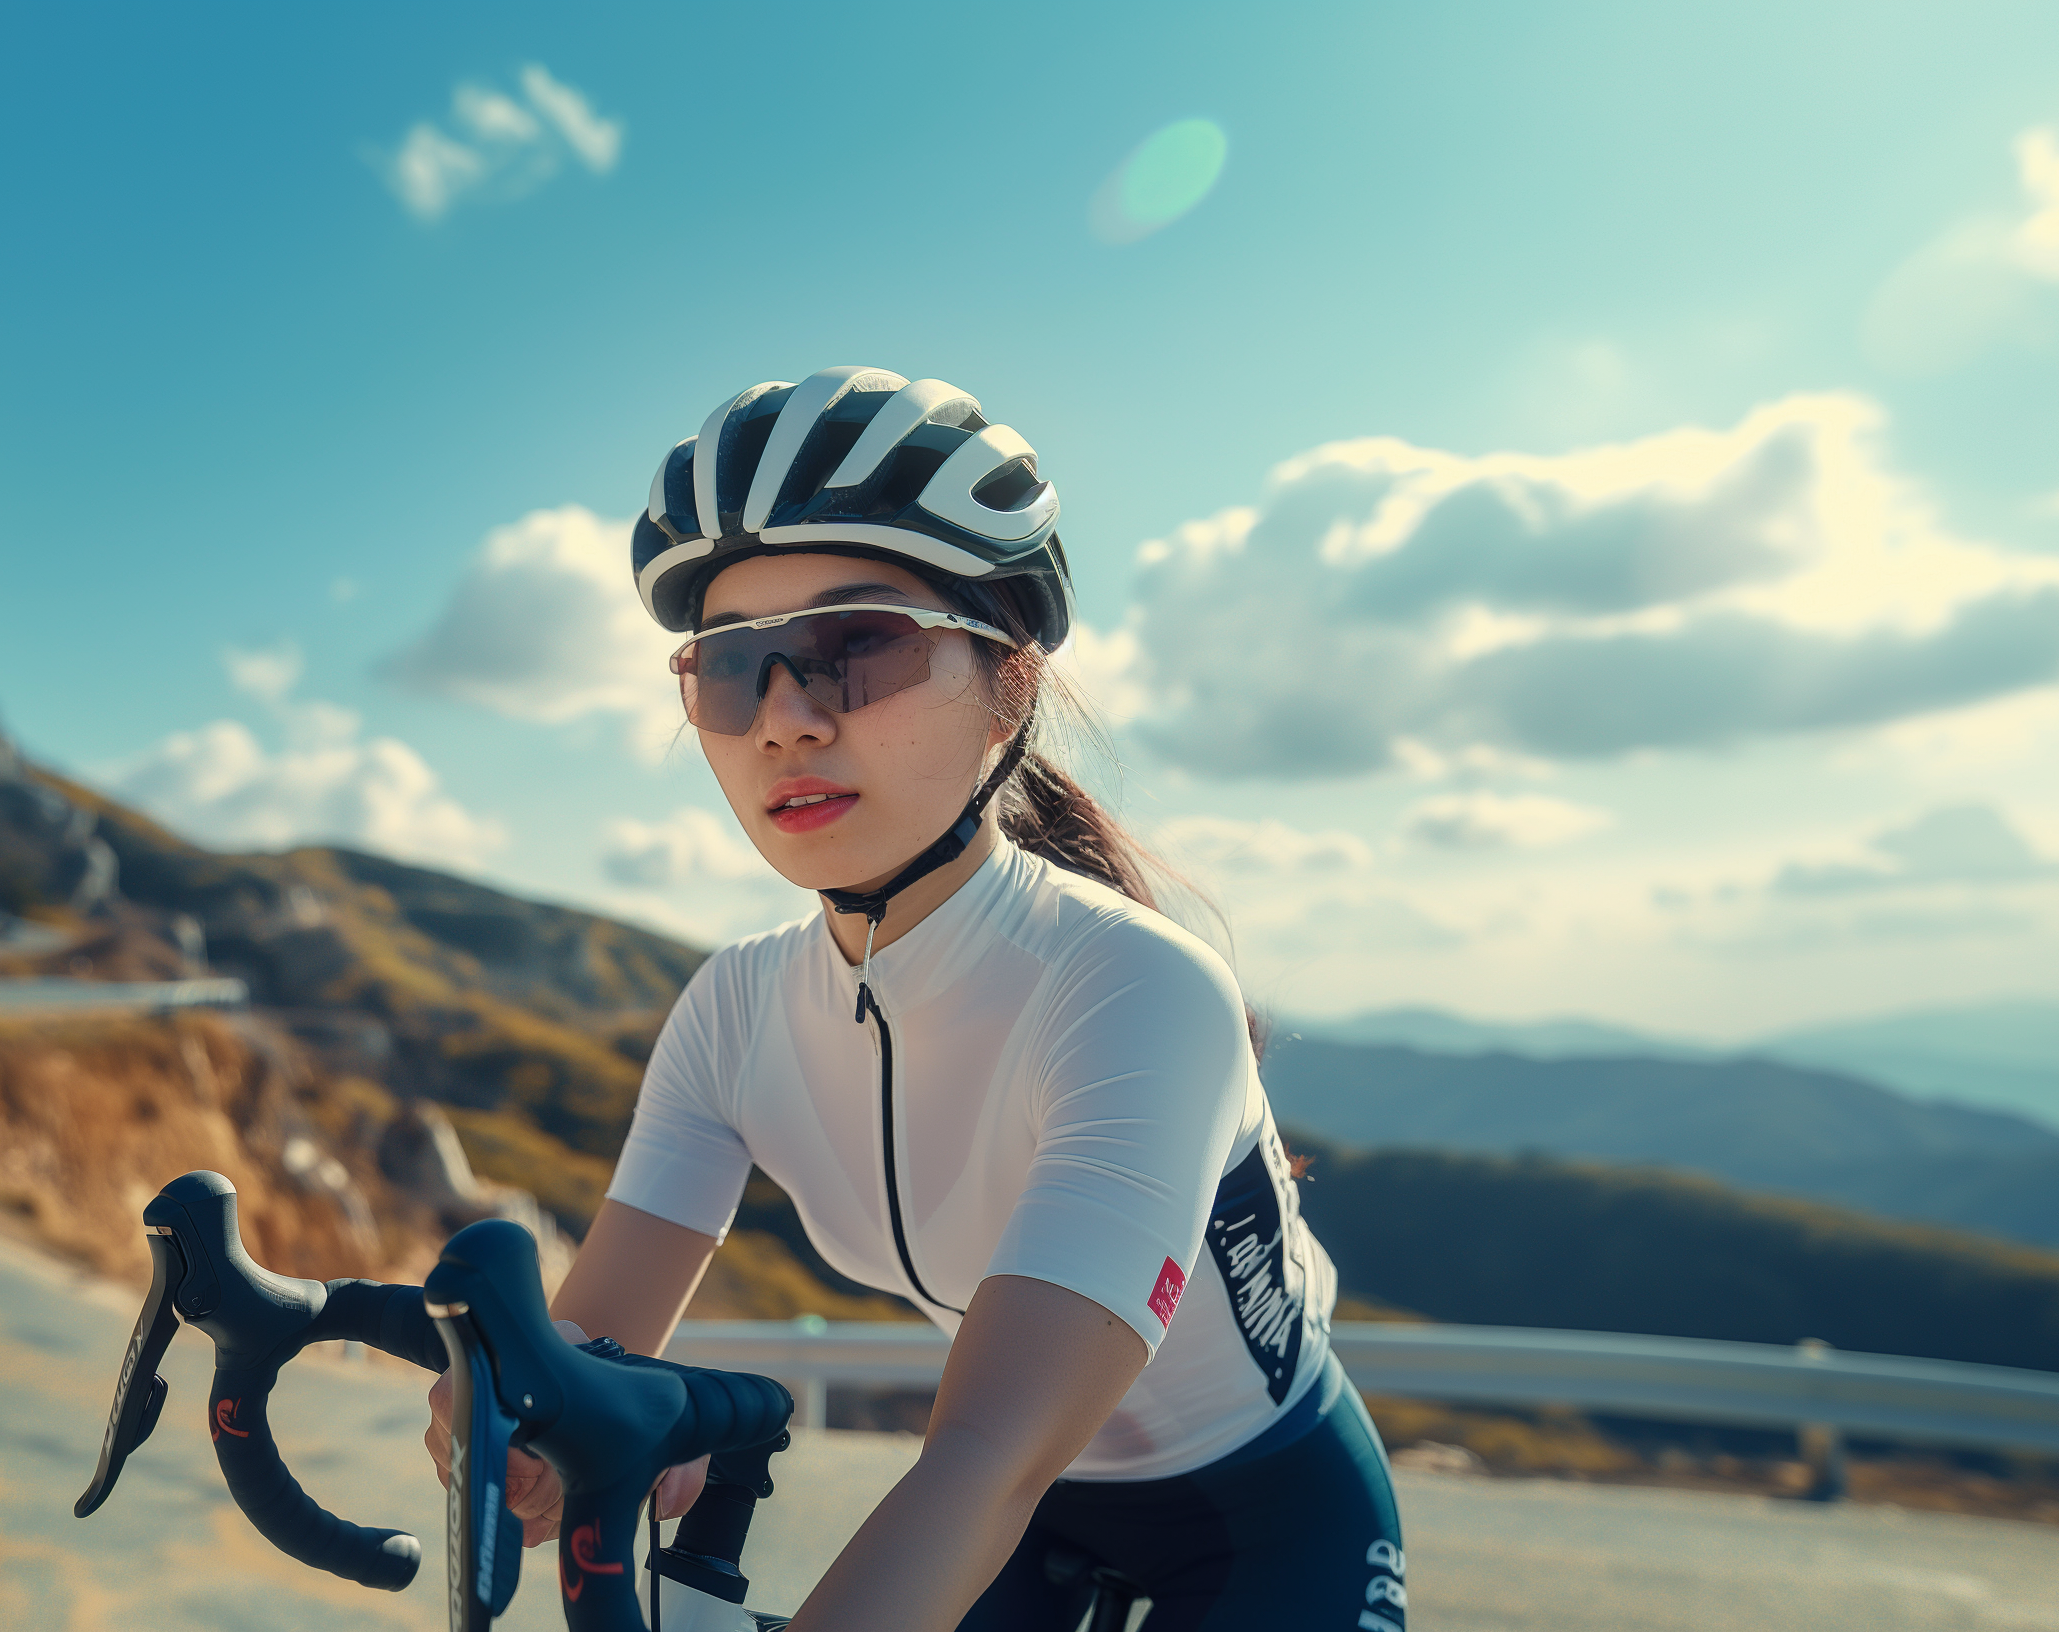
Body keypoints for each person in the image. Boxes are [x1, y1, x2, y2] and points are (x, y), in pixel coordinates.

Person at [425, 367, 1405, 1631]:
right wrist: (529, 1428)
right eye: (732, 670)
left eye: (856, 649)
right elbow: (588, 1361)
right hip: (1027, 1516)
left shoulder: (1134, 990)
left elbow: (984, 1459)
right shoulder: (730, 1013)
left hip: (1270, 1516)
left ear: (1008, 683)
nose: (784, 721)